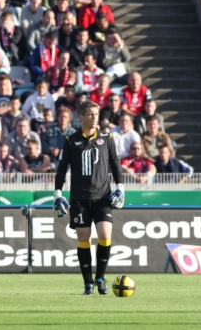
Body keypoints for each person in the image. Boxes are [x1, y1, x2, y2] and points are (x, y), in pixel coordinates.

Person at [53, 100, 124, 295]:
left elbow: (115, 164)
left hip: (102, 197)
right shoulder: (71, 140)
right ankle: (88, 283)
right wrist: (57, 193)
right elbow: (61, 169)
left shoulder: (107, 138)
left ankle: (100, 277)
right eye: (90, 114)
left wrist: (120, 188)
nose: (94, 118)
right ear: (81, 117)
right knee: (84, 238)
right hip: (79, 198)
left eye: (96, 114)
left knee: (105, 235)